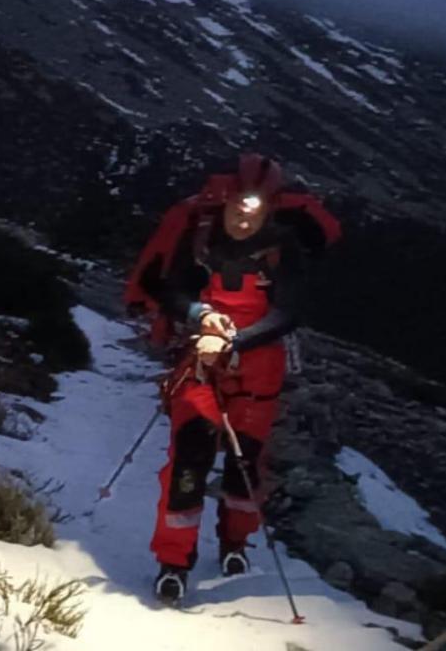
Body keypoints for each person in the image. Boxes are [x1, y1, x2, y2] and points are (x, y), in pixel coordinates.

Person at [122, 152, 341, 604]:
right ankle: (173, 561)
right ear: (224, 201)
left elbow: (288, 312)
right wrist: (202, 314)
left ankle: (234, 542)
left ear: (268, 209)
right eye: (238, 210)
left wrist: (232, 340)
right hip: (203, 362)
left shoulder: (284, 246)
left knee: (246, 463)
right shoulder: (200, 236)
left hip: (254, 365)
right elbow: (172, 288)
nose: (244, 220)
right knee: (190, 457)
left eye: (254, 212)